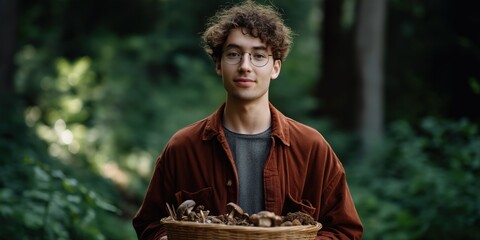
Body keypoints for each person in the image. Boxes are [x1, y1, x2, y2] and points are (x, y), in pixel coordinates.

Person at [132, 1, 363, 239]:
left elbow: (346, 230)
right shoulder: (183, 147)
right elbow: (149, 224)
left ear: (275, 68)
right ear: (219, 65)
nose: (245, 66)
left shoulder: (311, 148)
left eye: (258, 55)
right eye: (233, 54)